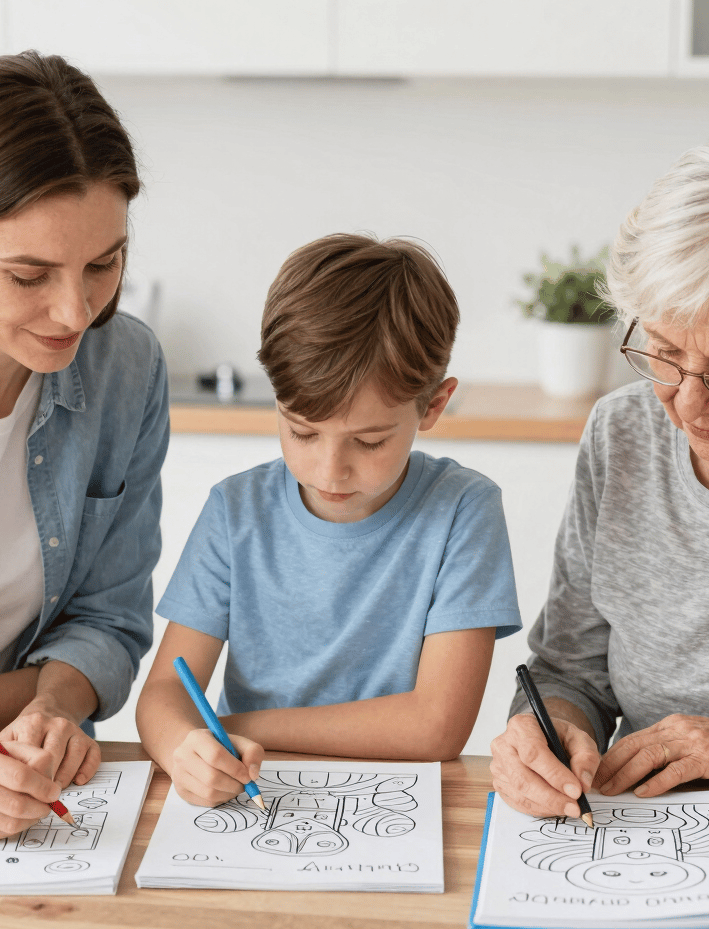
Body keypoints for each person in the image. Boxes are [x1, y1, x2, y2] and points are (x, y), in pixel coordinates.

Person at [136, 233, 521, 807]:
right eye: (302, 432)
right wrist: (183, 747)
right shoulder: (236, 510)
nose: (329, 471)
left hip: (397, 804)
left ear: (434, 405)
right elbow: (165, 692)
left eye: (369, 441)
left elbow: (436, 727)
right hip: (253, 795)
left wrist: (239, 725)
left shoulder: (464, 510)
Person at [0, 52, 169, 841]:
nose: (75, 313)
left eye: (104, 264)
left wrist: (53, 707)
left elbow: (108, 617)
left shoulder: (124, 369)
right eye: (28, 275)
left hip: (20, 789)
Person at [491, 144, 709, 819]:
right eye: (666, 355)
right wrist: (550, 730)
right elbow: (571, 670)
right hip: (640, 830)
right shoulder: (622, 433)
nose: (689, 405)